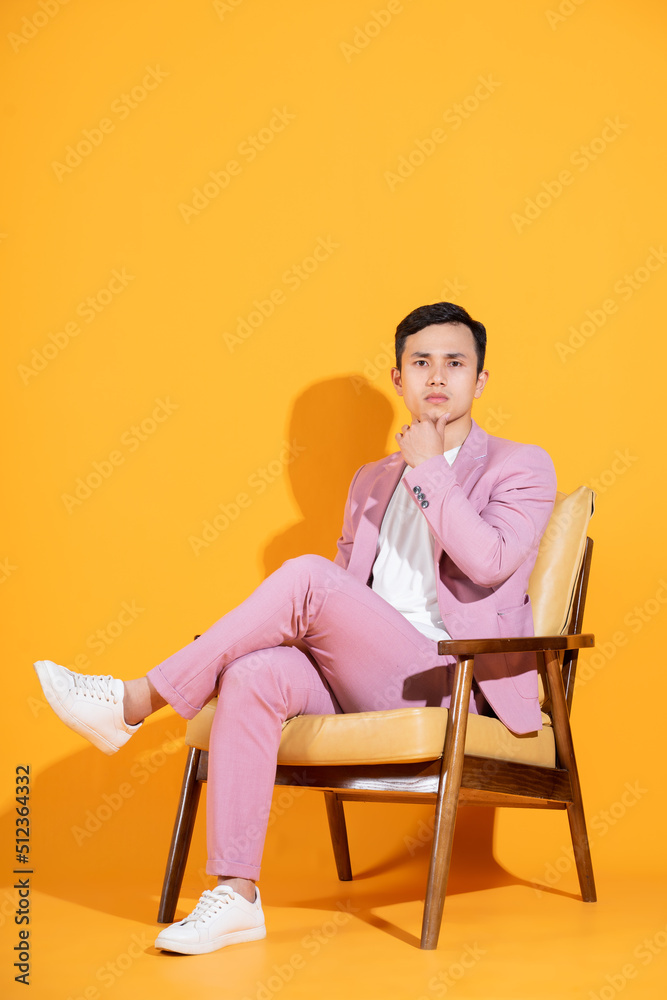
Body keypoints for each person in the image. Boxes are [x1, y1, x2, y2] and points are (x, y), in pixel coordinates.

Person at [34, 301, 557, 956]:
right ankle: (235, 895)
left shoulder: (520, 465)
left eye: (455, 363)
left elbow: (487, 562)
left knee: (305, 575)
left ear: (480, 380)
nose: (437, 377)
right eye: (420, 361)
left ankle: (135, 700)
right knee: (254, 673)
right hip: (367, 671)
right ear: (397, 376)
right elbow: (338, 602)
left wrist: (428, 469)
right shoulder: (370, 481)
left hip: (450, 676)